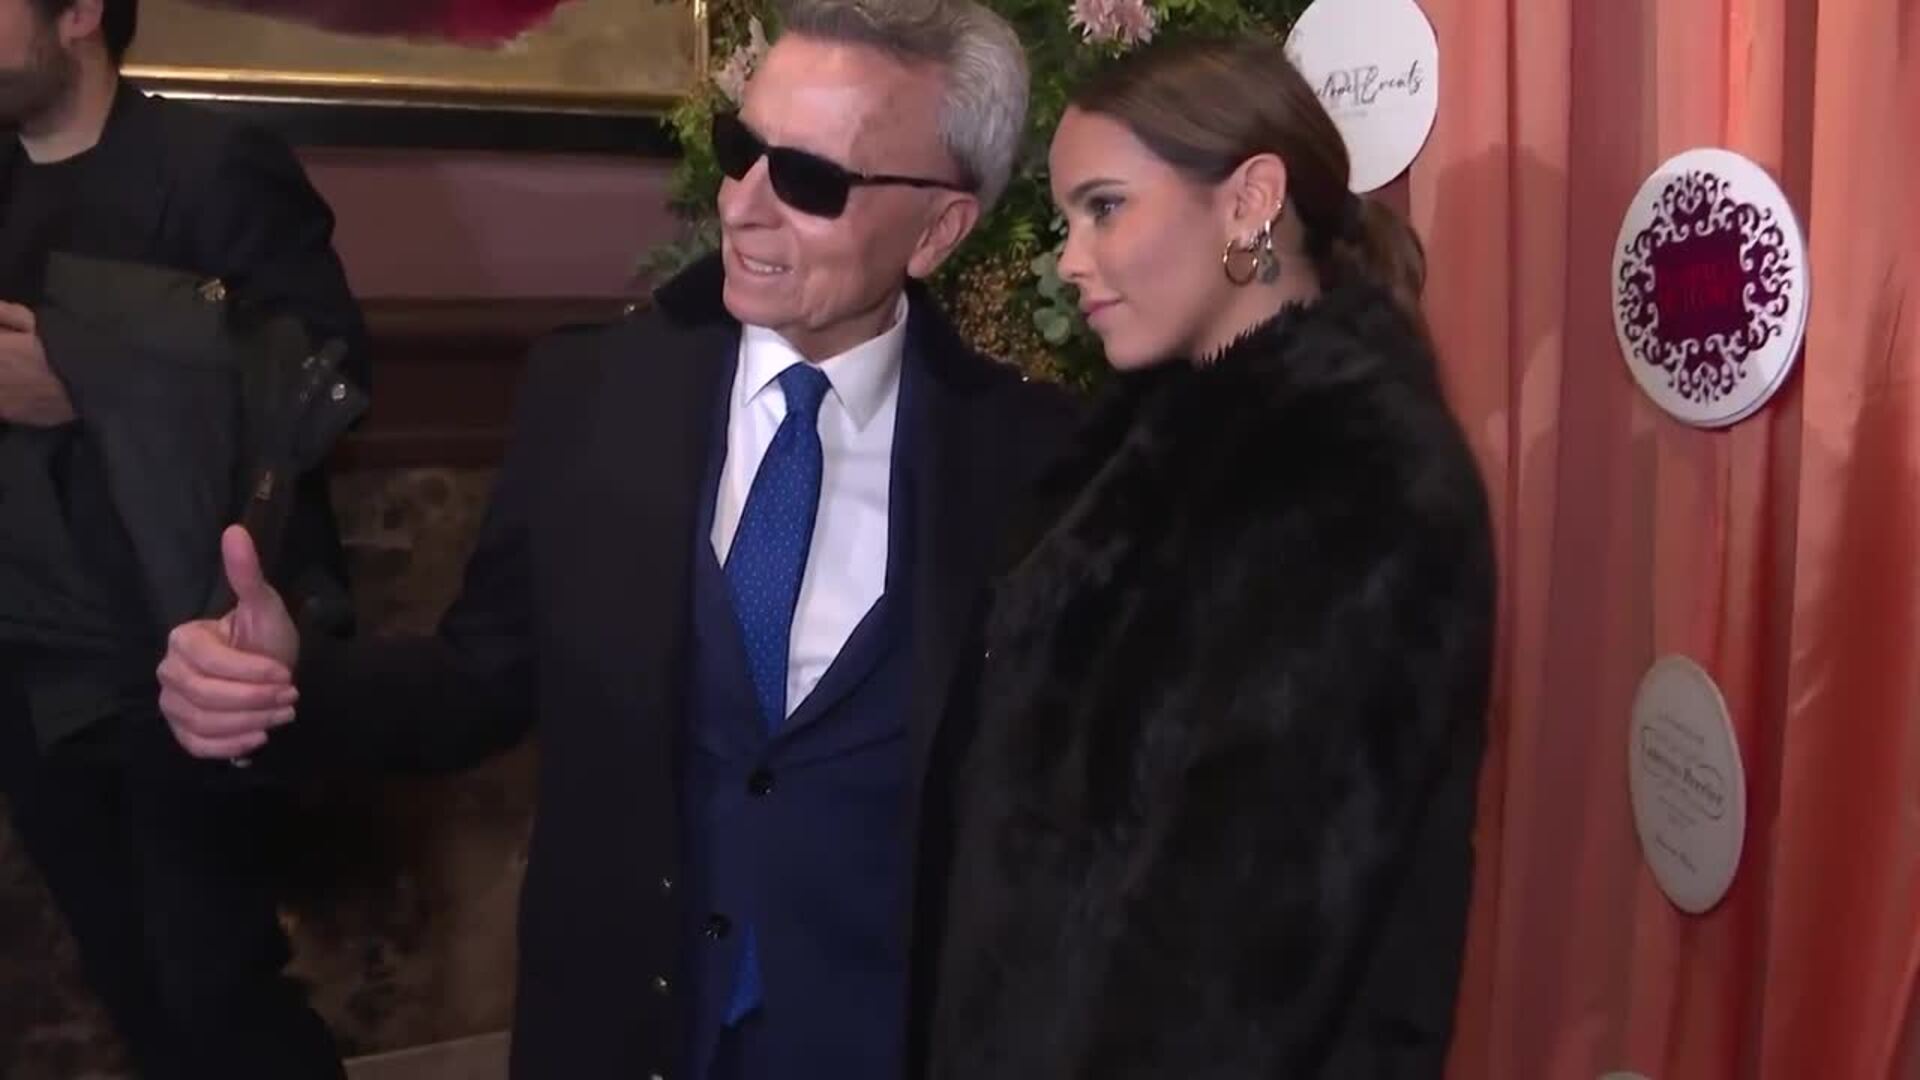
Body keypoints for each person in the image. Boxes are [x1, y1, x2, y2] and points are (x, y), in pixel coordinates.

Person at [155, 1, 1072, 1077]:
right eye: (739, 150)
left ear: (939, 230)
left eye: (809, 180)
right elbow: (477, 680)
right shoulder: (593, 394)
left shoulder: (1037, 462)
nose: (743, 205)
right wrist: (287, 684)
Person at [926, 35, 1496, 1079]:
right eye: (1066, 219)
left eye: (1105, 208)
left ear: (1250, 202)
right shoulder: (1139, 454)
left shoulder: (1356, 482)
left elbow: (1254, 945)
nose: (1070, 260)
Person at [0, 0, 368, 1076]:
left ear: (78, 14)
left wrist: (86, 373)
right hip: (31, 656)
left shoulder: (212, 165)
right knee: (129, 983)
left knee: (216, 989)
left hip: (187, 648)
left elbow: (324, 373)